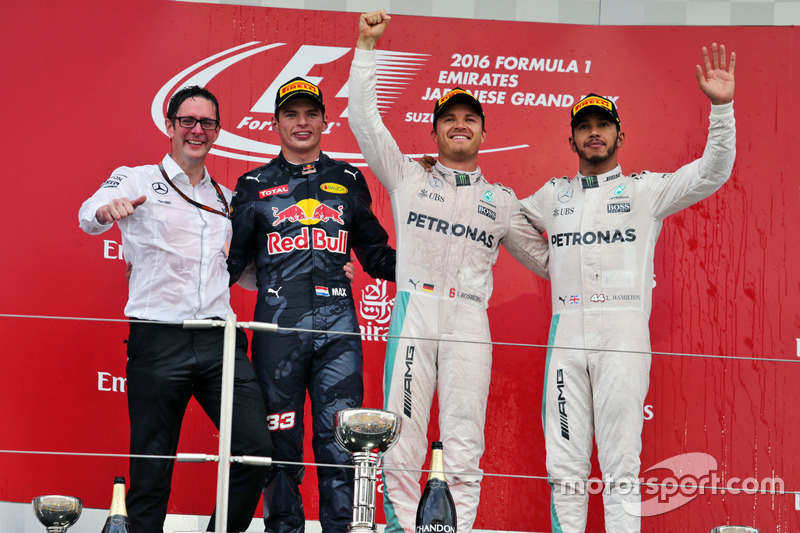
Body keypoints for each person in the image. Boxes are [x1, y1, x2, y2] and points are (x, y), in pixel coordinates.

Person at [519, 44, 736, 532]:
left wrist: (721, 108)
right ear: (572, 139)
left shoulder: (645, 190)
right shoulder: (552, 195)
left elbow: (712, 171)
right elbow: (502, 221)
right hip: (567, 333)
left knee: (621, 464)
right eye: (584, 126)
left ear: (620, 134)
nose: (594, 132)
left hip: (623, 332)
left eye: (603, 124)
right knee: (566, 465)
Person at [349, 11, 549, 533]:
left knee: (465, 439)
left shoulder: (501, 201)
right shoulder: (408, 177)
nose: (460, 125)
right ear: (435, 128)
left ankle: (455, 528)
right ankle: (400, 527)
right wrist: (367, 48)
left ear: (483, 131)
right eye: (449, 118)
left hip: (469, 319)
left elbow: (550, 262)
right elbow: (365, 122)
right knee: (404, 436)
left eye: (470, 119)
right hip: (415, 309)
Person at [78, 85, 272, 533]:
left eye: (207, 123)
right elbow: (87, 215)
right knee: (151, 473)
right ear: (169, 126)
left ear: (218, 132)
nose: (197, 130)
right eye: (187, 121)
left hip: (220, 342)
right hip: (158, 337)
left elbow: (236, 270)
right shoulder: (136, 178)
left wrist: (296, 275)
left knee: (255, 452)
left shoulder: (227, 198)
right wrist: (109, 210)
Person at [226, 77, 396, 533]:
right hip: (276, 336)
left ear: (325, 119)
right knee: (280, 446)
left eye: (310, 113)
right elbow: (229, 264)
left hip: (339, 337)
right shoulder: (252, 184)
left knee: (341, 446)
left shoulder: (349, 178)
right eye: (291, 114)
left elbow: (376, 254)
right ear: (276, 122)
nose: (301, 123)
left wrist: (435, 265)